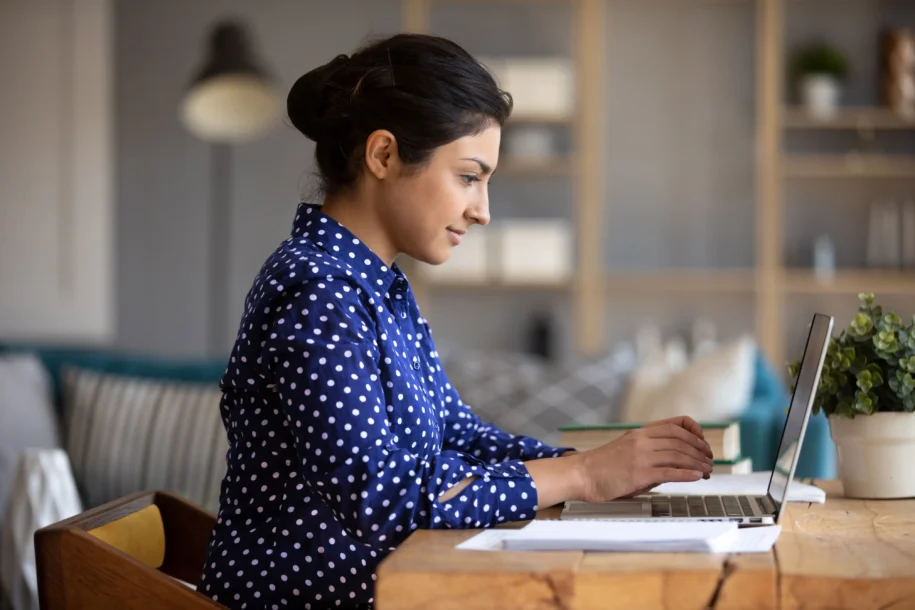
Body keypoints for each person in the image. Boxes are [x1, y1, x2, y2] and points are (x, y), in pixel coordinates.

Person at [197, 32, 714, 610]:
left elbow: (455, 432)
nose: (483, 210)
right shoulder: (316, 290)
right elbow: (382, 500)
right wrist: (585, 479)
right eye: (469, 176)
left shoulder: (380, 288)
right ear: (384, 155)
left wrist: (595, 468)